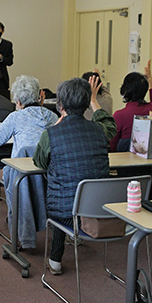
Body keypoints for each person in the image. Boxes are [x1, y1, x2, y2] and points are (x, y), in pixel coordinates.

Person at [33, 76, 117, 275]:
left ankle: (55, 259)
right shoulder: (99, 130)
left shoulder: (51, 134)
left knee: (60, 186)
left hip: (65, 212)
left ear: (60, 104)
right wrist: (94, 101)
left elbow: (39, 162)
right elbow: (110, 126)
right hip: (97, 211)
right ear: (87, 102)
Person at [0, 75, 58, 248]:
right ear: (40, 96)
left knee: (11, 172)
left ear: (18, 101)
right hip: (50, 174)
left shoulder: (15, 117)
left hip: (22, 177)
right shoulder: (52, 116)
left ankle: (23, 237)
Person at [109, 60, 152, 152]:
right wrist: (150, 79)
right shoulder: (151, 109)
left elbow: (113, 143)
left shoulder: (119, 115)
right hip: (146, 159)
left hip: (124, 159)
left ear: (125, 90)